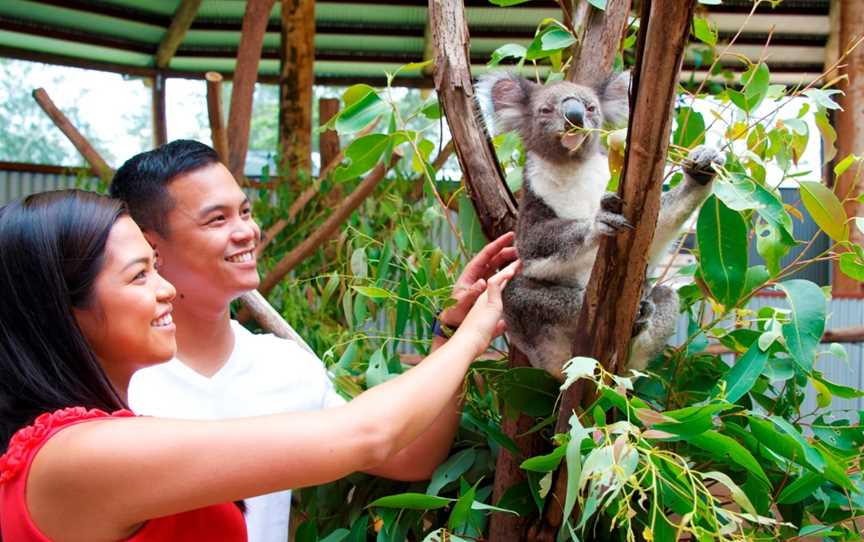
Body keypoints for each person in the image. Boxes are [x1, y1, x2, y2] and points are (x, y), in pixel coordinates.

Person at [0, 189, 518, 541]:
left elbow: (400, 451)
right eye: (139, 276)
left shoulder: (94, 438)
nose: (166, 290)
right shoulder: (82, 454)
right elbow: (368, 432)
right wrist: (473, 335)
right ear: (61, 309)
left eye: (156, 271)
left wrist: (450, 332)